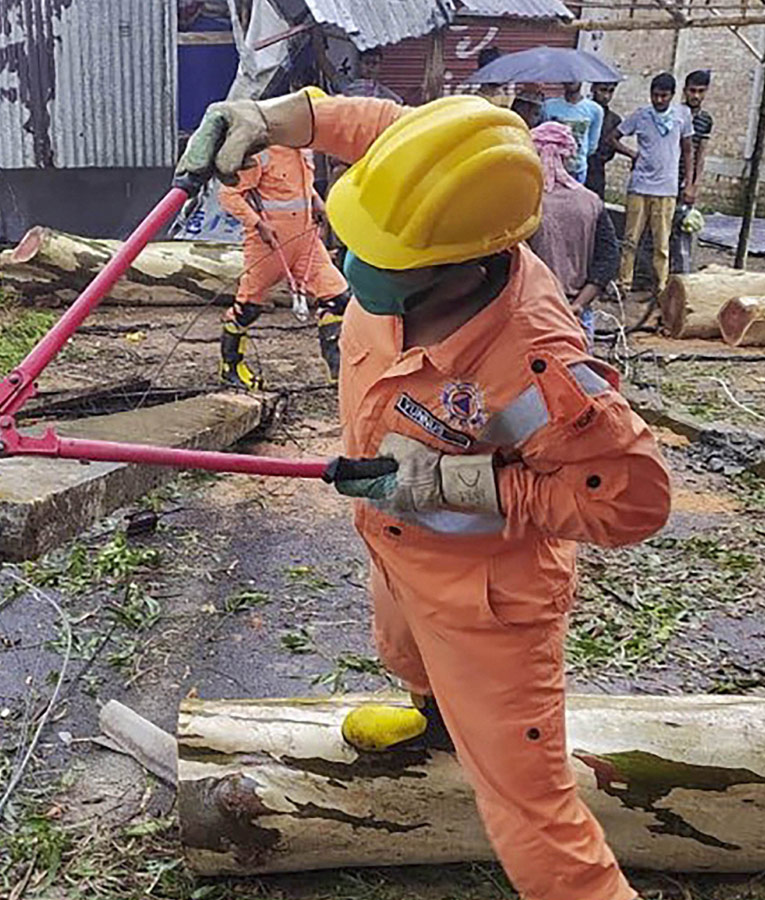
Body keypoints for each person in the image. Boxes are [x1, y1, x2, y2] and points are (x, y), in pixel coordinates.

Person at [178, 90, 671, 900]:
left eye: (379, 257)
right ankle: (433, 721)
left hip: (487, 597)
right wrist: (270, 119)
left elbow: (630, 502)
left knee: (532, 816)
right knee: (401, 644)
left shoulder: (536, 368)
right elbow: (376, 127)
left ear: (464, 267)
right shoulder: (447, 191)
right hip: (398, 542)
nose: (353, 262)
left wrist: (460, 482)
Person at [217, 143, 351, 387]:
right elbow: (228, 195)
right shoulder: (260, 154)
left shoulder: (304, 150)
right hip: (268, 246)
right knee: (248, 308)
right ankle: (230, 368)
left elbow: (300, 185)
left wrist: (316, 201)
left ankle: (339, 372)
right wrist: (258, 224)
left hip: (306, 242)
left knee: (338, 299)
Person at [527, 122, 619, 345]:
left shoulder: (527, 203)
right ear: (568, 157)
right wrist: (577, 304)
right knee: (577, 373)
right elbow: (608, 258)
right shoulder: (591, 201)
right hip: (578, 312)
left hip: (533, 312)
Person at [613, 72, 694, 297]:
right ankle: (624, 283)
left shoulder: (682, 116)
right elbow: (613, 137)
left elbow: (688, 150)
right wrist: (632, 154)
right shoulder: (641, 116)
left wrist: (689, 182)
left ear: (671, 95)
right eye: (655, 95)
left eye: (663, 96)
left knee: (662, 243)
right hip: (639, 186)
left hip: (666, 188)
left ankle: (661, 287)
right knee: (630, 239)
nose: (658, 100)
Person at [670, 70, 714, 274]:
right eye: (692, 91)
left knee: (684, 229)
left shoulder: (705, 120)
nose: (696, 96)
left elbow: (700, 154)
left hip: (684, 181)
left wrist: (693, 184)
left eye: (701, 91)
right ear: (685, 90)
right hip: (667, 177)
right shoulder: (674, 114)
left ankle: (681, 276)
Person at [541, 81, 604, 186]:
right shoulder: (548, 107)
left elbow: (592, 144)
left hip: (578, 168)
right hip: (552, 167)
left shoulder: (595, 110)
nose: (571, 81)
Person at [585, 81, 624, 200]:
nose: (606, 96)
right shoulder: (583, 111)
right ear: (593, 89)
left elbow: (609, 150)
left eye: (611, 91)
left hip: (597, 170)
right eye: (603, 90)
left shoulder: (613, 120)